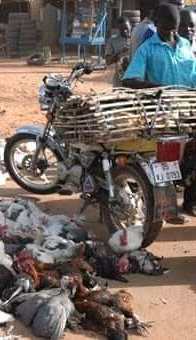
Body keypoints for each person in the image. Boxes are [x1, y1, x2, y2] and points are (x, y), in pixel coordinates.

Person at [123, 3, 196, 221]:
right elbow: (129, 80)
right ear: (158, 24)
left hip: (189, 109)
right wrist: (156, 88)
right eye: (166, 27)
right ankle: (167, 209)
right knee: (165, 163)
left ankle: (191, 201)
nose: (170, 32)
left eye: (174, 28)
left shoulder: (185, 46)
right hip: (161, 112)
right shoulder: (148, 48)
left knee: (192, 158)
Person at [105, 17, 131, 87]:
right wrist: (119, 52)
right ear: (118, 29)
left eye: (126, 28)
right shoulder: (113, 40)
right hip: (119, 80)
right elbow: (108, 61)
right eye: (122, 29)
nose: (125, 31)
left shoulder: (135, 38)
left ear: (130, 26)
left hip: (134, 78)